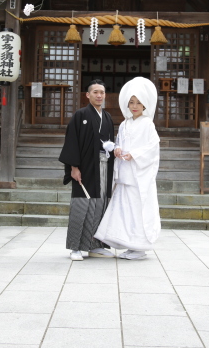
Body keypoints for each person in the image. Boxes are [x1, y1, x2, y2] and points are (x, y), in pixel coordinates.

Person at [94, 77, 161, 260]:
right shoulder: (124, 124)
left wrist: (135, 154)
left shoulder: (148, 124)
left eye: (138, 102)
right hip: (125, 173)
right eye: (131, 102)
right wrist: (117, 149)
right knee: (125, 211)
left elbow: (152, 147)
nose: (134, 106)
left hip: (139, 176)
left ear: (145, 104)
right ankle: (130, 244)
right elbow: (120, 143)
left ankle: (140, 247)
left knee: (138, 211)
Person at [59, 79, 115, 261]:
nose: (99, 95)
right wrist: (74, 167)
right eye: (95, 92)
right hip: (85, 167)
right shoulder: (80, 115)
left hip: (104, 166)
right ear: (88, 95)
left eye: (102, 92)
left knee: (101, 204)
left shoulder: (107, 117)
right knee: (82, 204)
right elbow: (72, 141)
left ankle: (96, 245)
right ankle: (75, 247)